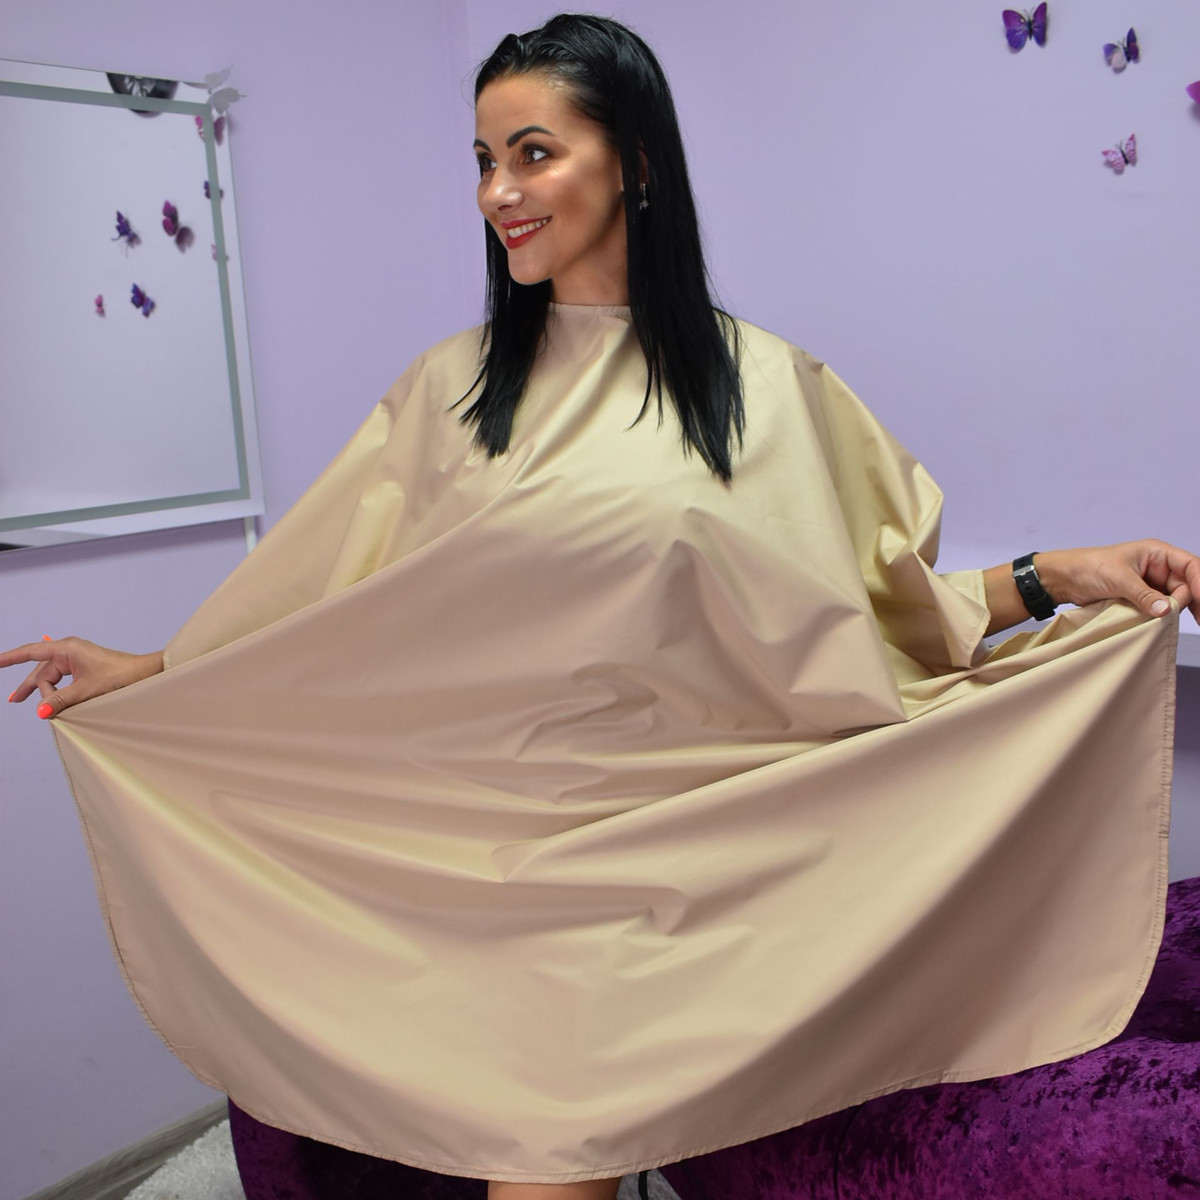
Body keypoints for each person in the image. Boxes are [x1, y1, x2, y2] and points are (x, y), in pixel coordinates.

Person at [3, 14, 1199, 1200]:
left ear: (634, 160)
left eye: (533, 153)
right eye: (485, 160)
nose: (498, 192)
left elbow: (883, 612)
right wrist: (159, 673)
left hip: (699, 864)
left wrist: (1058, 576)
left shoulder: (770, 390)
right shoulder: (450, 396)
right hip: (506, 866)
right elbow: (321, 596)